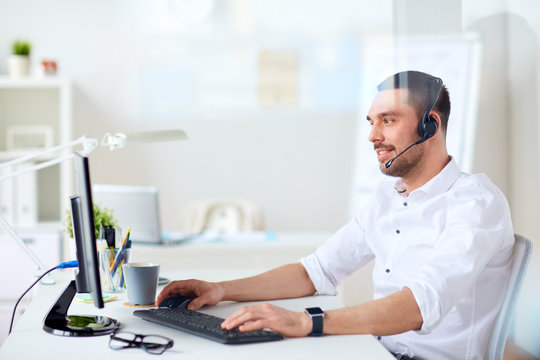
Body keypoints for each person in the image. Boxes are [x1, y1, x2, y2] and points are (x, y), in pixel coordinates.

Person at [157, 71, 515, 360]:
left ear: (430, 126)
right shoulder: (386, 199)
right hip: (375, 350)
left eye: (388, 120)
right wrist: (220, 290)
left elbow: (420, 305)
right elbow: (317, 270)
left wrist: (306, 322)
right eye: (372, 122)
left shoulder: (476, 203)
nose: (374, 136)